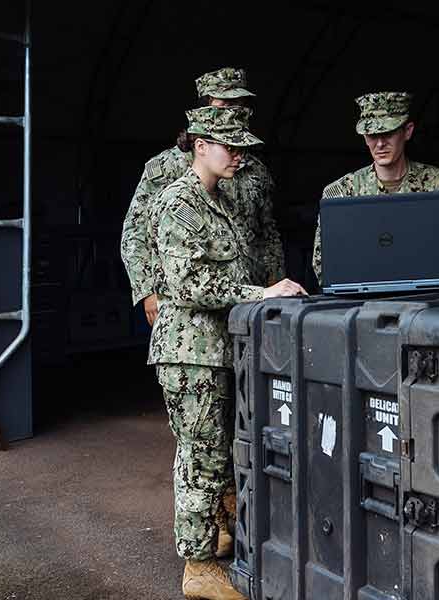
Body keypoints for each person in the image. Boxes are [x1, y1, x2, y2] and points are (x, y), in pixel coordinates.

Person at [151, 105, 306, 600]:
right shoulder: (179, 203)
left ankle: (214, 540)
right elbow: (190, 283)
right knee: (200, 457)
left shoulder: (218, 201)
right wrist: (262, 294)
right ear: (200, 145)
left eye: (241, 146)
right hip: (190, 353)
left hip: (217, 350)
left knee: (218, 454)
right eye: (229, 145)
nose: (239, 155)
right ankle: (197, 567)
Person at [120, 68, 282, 328]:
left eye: (240, 104)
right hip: (192, 305)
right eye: (225, 103)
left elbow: (267, 232)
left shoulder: (255, 169)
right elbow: (136, 230)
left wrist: (274, 282)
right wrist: (147, 290)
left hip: (247, 296)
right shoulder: (168, 167)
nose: (234, 110)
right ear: (205, 107)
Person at [311, 92, 439, 286]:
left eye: (388, 133)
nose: (380, 144)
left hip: (426, 299)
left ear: (407, 131)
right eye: (372, 135)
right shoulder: (340, 193)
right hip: (362, 301)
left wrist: (416, 281)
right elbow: (324, 263)